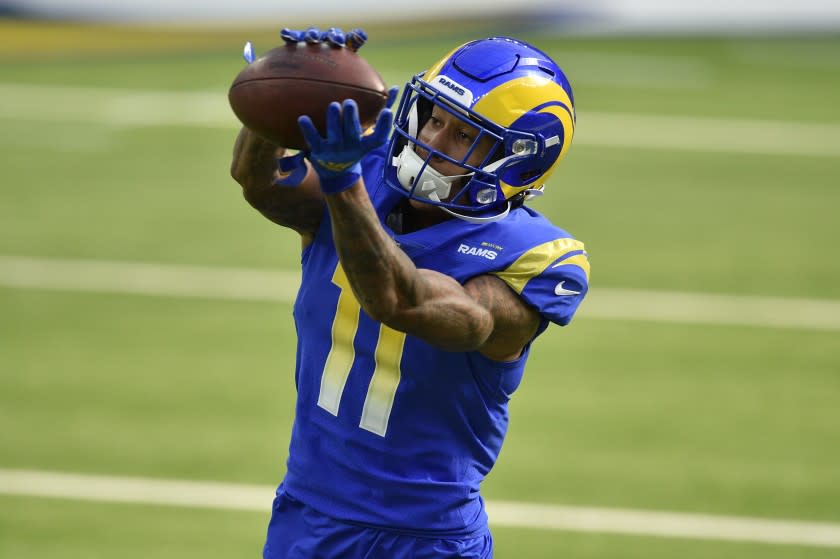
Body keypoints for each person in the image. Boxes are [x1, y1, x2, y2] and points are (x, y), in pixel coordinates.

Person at [230, 26, 590, 559]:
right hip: (307, 517)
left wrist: (341, 182)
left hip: (424, 538)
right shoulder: (365, 175)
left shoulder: (532, 258)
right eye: (435, 118)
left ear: (519, 160)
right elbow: (259, 182)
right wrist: (284, 98)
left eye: (465, 135)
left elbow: (404, 302)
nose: (433, 142)